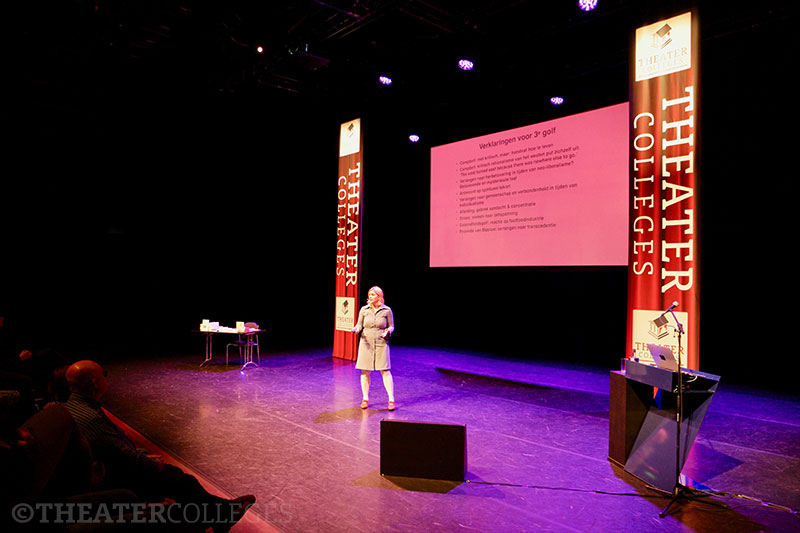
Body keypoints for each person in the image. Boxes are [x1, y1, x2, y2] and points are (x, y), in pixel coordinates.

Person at [64, 360, 256, 532]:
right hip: (113, 475)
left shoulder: (73, 407)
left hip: (106, 468)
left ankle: (221, 513)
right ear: (95, 383)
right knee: (180, 480)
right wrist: (153, 464)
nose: (106, 379)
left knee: (179, 479)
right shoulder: (92, 418)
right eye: (103, 375)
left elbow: (112, 447)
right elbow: (121, 456)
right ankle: (219, 515)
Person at [351, 286, 396, 410]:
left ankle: (391, 399)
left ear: (379, 296)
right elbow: (359, 324)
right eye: (369, 295)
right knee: (365, 371)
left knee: (385, 370)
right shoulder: (364, 310)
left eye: (372, 295)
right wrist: (356, 329)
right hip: (366, 343)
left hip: (381, 342)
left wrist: (388, 331)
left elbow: (391, 326)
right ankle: (365, 398)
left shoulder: (387, 310)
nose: (370, 297)